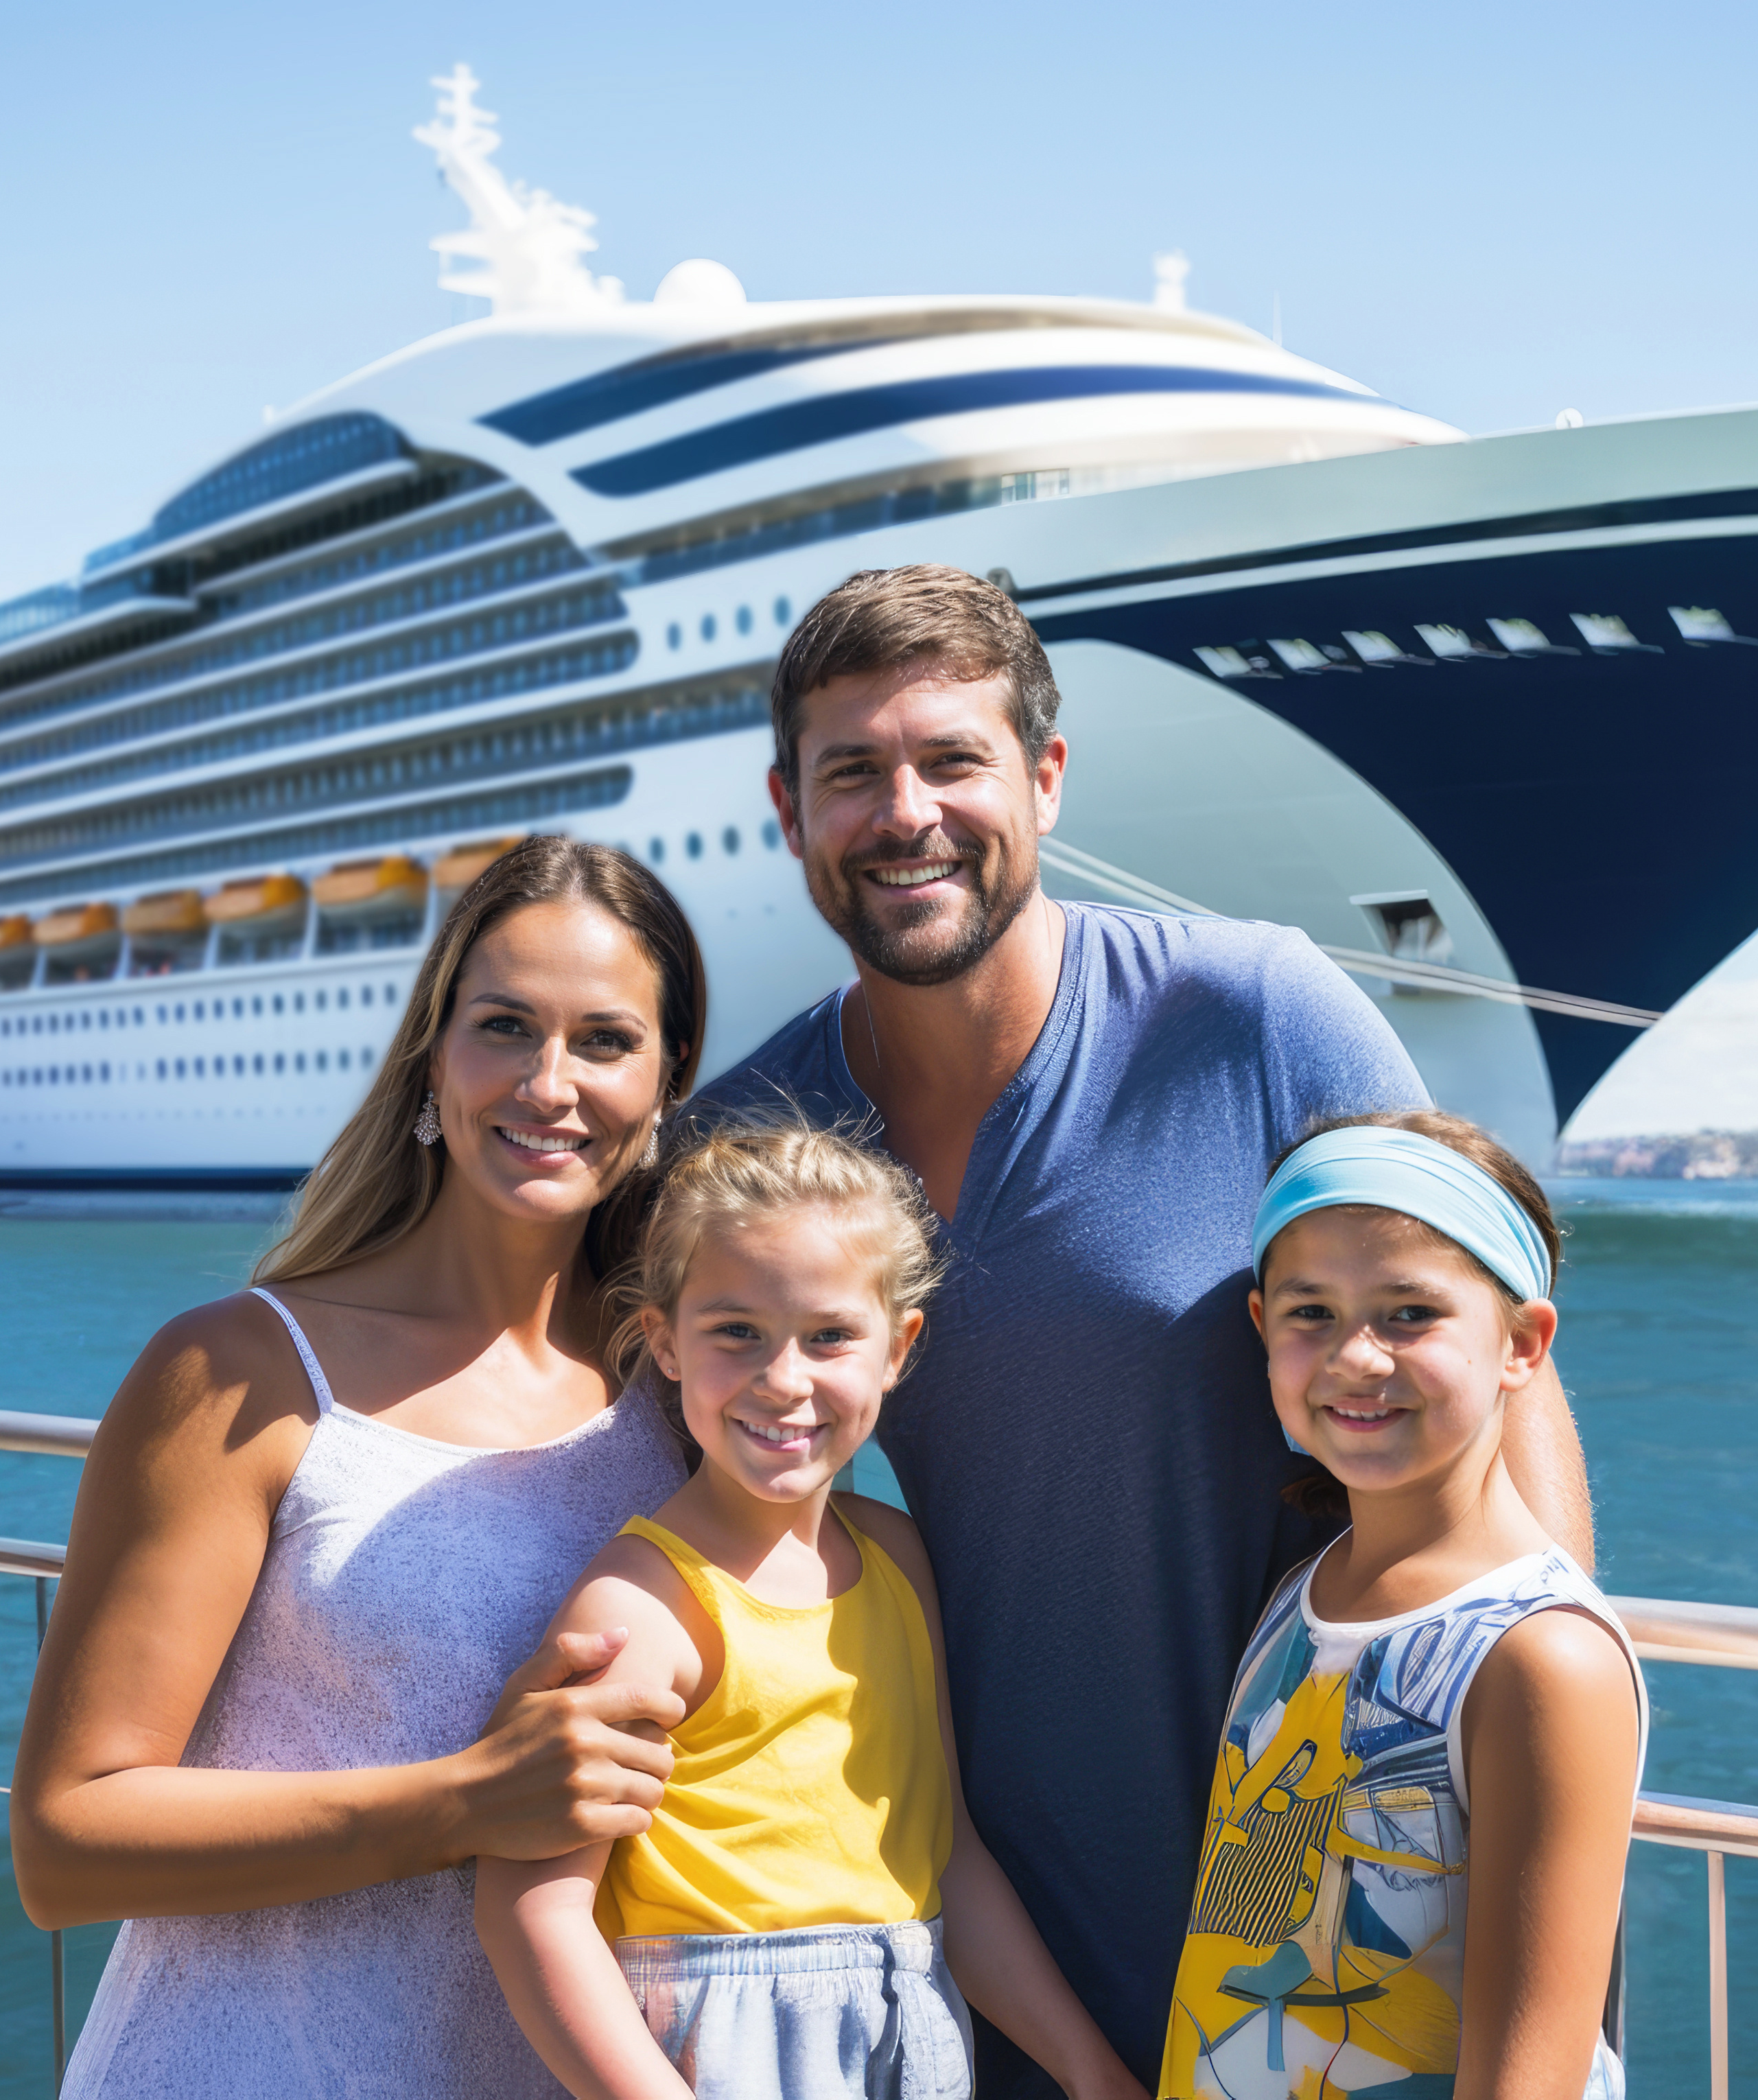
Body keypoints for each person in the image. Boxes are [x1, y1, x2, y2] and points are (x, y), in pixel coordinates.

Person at [687, 564, 1596, 2088]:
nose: (904, 812)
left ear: (1043, 777)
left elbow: (1493, 1368)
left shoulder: (1249, 1011)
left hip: (1344, 1896)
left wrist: (1529, 1747)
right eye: (852, 774)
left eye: (952, 761)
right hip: (980, 1933)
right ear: (791, 813)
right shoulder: (759, 1141)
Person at [15, 837, 713, 2098]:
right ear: (430, 1061)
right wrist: (462, 1803)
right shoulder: (242, 1372)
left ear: (669, 1081)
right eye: (505, 1027)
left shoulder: (680, 1397)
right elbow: (68, 1841)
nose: (551, 1083)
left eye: (605, 1040)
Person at [478, 1120, 1145, 2100]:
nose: (784, 1379)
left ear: (898, 1348)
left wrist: (1088, 2072)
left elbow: (946, 1855)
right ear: (664, 1341)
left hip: (912, 2033)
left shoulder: (899, 1558)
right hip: (724, 2055)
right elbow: (531, 1911)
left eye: (830, 1335)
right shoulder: (648, 1606)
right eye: (736, 1332)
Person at [1164, 1111, 1641, 2099]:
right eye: (1313, 1314)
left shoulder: (1541, 1658)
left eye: (1409, 1314)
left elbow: (1528, 2079)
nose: (1356, 1358)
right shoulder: (1304, 1595)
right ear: (1263, 1330)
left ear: (1522, 1342)